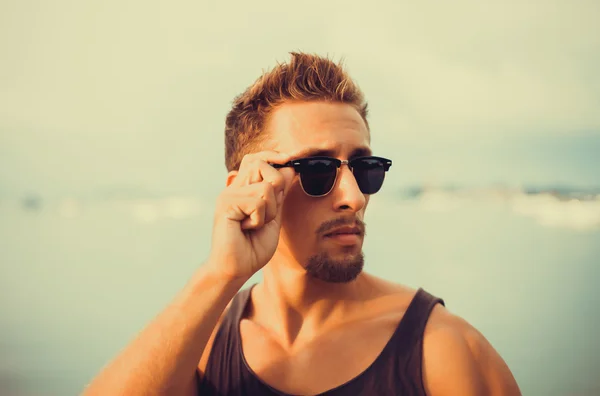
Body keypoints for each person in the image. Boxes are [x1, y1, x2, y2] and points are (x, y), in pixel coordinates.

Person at [83, 52, 521, 395]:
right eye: (317, 170)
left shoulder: (442, 351)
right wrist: (221, 273)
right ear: (249, 185)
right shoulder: (201, 350)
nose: (353, 198)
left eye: (365, 168)